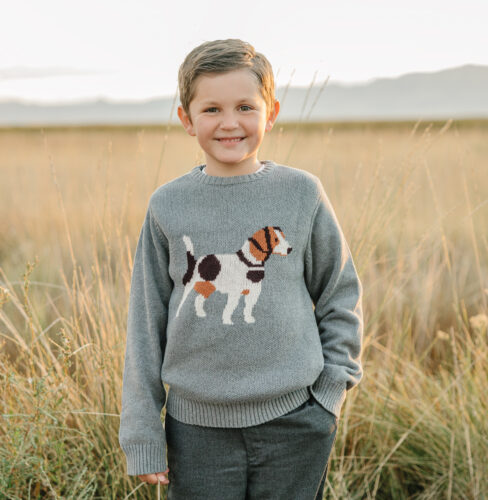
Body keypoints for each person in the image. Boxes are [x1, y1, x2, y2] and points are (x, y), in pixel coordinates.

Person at [118, 38, 363, 499]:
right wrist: (143, 434)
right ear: (186, 120)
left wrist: (330, 392)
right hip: (195, 432)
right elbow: (145, 324)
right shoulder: (167, 206)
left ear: (270, 112)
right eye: (211, 109)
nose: (230, 123)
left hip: (296, 424)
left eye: (245, 107)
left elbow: (340, 294)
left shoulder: (302, 194)